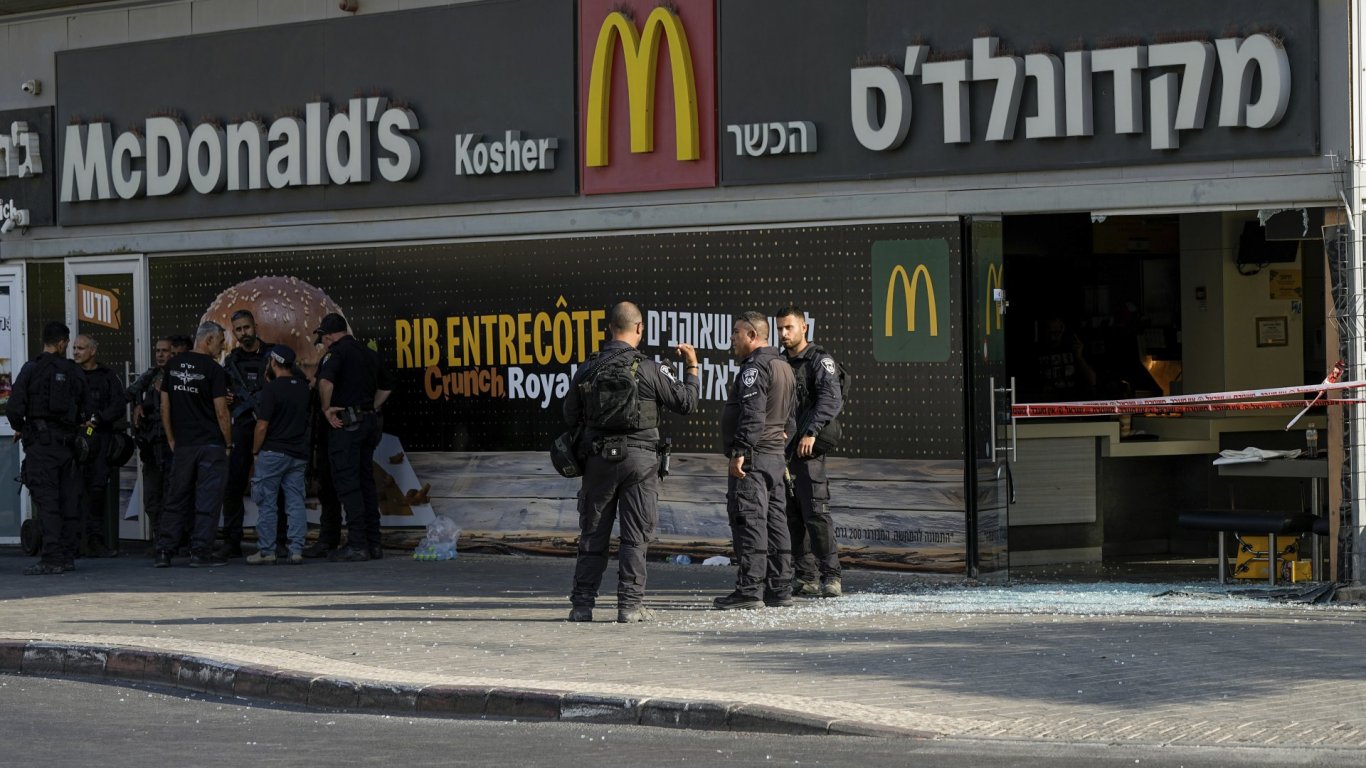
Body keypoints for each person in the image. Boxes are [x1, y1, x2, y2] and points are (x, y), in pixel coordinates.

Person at [563, 301, 700, 624]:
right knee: (635, 535)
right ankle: (629, 605)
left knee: (593, 533)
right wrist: (692, 367)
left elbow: (569, 414)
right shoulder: (652, 368)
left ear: (610, 328)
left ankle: (582, 605)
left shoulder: (588, 367)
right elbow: (687, 403)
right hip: (640, 462)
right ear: (639, 329)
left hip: (598, 460)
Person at [714, 311, 796, 610]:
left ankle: (749, 591)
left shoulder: (756, 368)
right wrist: (779, 441)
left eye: (736, 332)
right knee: (776, 523)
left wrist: (740, 452)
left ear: (752, 335)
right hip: (774, 457)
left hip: (755, 458)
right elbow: (792, 419)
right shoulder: (783, 365)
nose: (732, 338)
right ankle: (780, 589)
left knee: (749, 521)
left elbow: (753, 414)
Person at [8, 322, 88, 575]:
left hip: (41, 447)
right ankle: (66, 556)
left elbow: (13, 408)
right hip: (68, 446)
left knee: (47, 501)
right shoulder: (74, 371)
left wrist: (21, 427)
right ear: (63, 342)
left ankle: (52, 558)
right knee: (67, 500)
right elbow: (85, 407)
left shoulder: (32, 369)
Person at [775, 307, 844, 598]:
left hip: (808, 449)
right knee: (791, 515)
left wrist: (811, 432)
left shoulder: (819, 360)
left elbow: (831, 399)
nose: (784, 334)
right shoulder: (778, 362)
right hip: (783, 451)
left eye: (789, 327)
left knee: (816, 513)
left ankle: (831, 576)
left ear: (804, 327)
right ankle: (805, 577)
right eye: (780, 329)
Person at [315, 312, 393, 562]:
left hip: (347, 426)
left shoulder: (336, 353)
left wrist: (327, 410)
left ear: (328, 336)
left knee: (349, 485)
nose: (323, 344)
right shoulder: (368, 353)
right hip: (369, 423)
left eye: (323, 339)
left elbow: (325, 382)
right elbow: (388, 385)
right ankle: (374, 543)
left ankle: (357, 544)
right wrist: (371, 406)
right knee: (365, 482)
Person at [156, 321, 232, 568]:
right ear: (208, 339)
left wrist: (171, 437)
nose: (222, 347)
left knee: (175, 498)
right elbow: (222, 412)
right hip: (210, 444)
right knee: (207, 500)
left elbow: (164, 405)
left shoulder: (173, 365)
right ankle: (200, 551)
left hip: (184, 444)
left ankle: (164, 551)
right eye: (220, 341)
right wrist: (228, 443)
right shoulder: (214, 370)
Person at [219, 309, 279, 559]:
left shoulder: (273, 355)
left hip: (271, 426)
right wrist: (227, 397)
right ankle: (232, 540)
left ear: (256, 326)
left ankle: (281, 539)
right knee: (233, 484)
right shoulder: (230, 362)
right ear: (234, 332)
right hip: (242, 427)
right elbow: (220, 392)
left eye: (247, 328)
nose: (244, 333)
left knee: (278, 485)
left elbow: (287, 383)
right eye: (239, 330)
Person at [246, 346, 311, 566]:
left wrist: (255, 451)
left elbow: (262, 426)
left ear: (273, 362)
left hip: (273, 452)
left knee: (267, 504)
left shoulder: (271, 389)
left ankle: (267, 551)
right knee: (295, 503)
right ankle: (296, 551)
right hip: (298, 453)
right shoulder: (304, 388)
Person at [72, 333, 127, 559]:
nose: (75, 352)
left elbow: (119, 405)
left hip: (99, 440)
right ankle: (75, 541)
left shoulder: (107, 376)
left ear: (93, 351)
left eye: (81, 348)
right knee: (74, 491)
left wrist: (97, 419)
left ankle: (95, 541)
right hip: (74, 439)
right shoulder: (69, 374)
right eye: (74, 348)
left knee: (96, 490)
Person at [127, 336, 175, 551]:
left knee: (172, 495)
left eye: (165, 351)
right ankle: (160, 539)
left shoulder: (178, 376)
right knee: (152, 497)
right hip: (151, 445)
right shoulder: (150, 375)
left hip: (171, 444)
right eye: (157, 351)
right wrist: (138, 405)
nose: (160, 355)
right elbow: (129, 393)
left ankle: (170, 540)